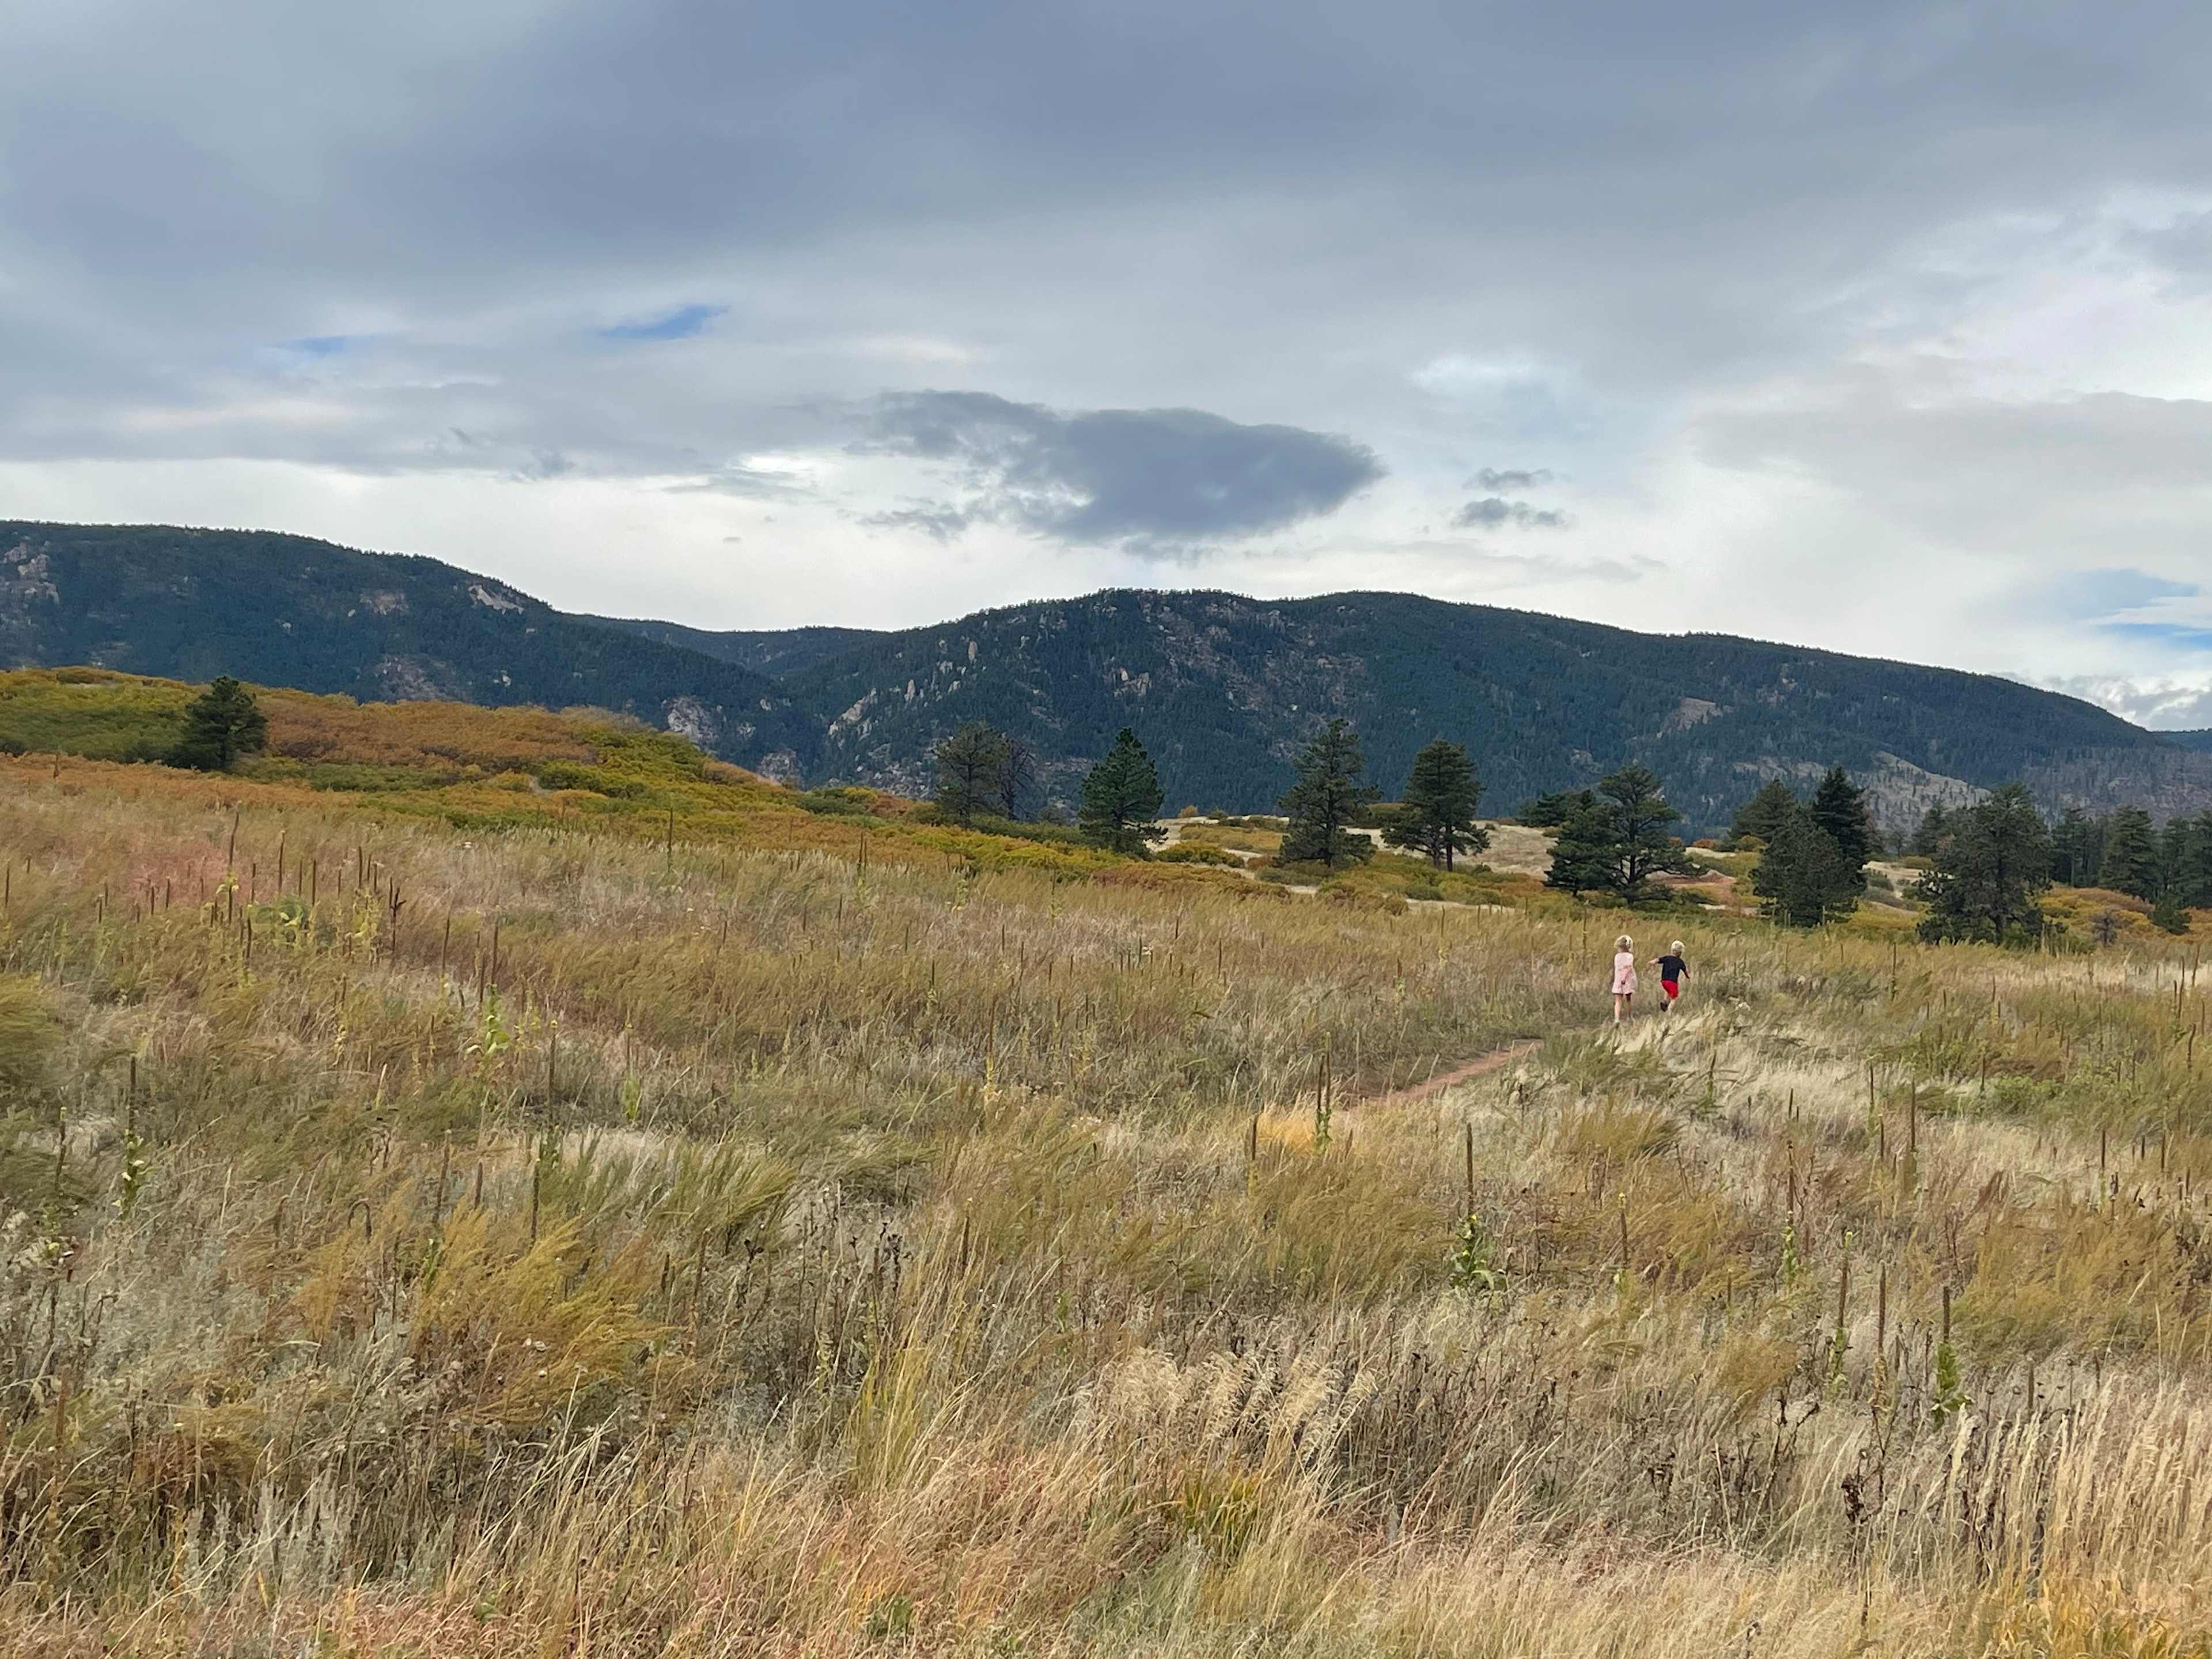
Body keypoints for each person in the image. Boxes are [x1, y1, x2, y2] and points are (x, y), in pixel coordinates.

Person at [1652, 941, 1688, 1014]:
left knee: (1668, 990)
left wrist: (1653, 962)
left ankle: (1665, 1001)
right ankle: (1669, 1011)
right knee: (1674, 998)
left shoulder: (1667, 958)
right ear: (1680, 953)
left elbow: (1658, 960)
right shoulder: (1680, 962)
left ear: (1672, 950)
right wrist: (1687, 976)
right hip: (1673, 982)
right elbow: (1685, 970)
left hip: (1664, 981)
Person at [1609, 934, 1637, 1023]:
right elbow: (1628, 967)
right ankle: (1629, 1017)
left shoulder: (1617, 957)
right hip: (1627, 980)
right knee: (1628, 999)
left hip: (1618, 980)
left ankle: (1617, 1019)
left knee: (1618, 1000)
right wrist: (1624, 978)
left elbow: (1618, 968)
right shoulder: (1630, 956)